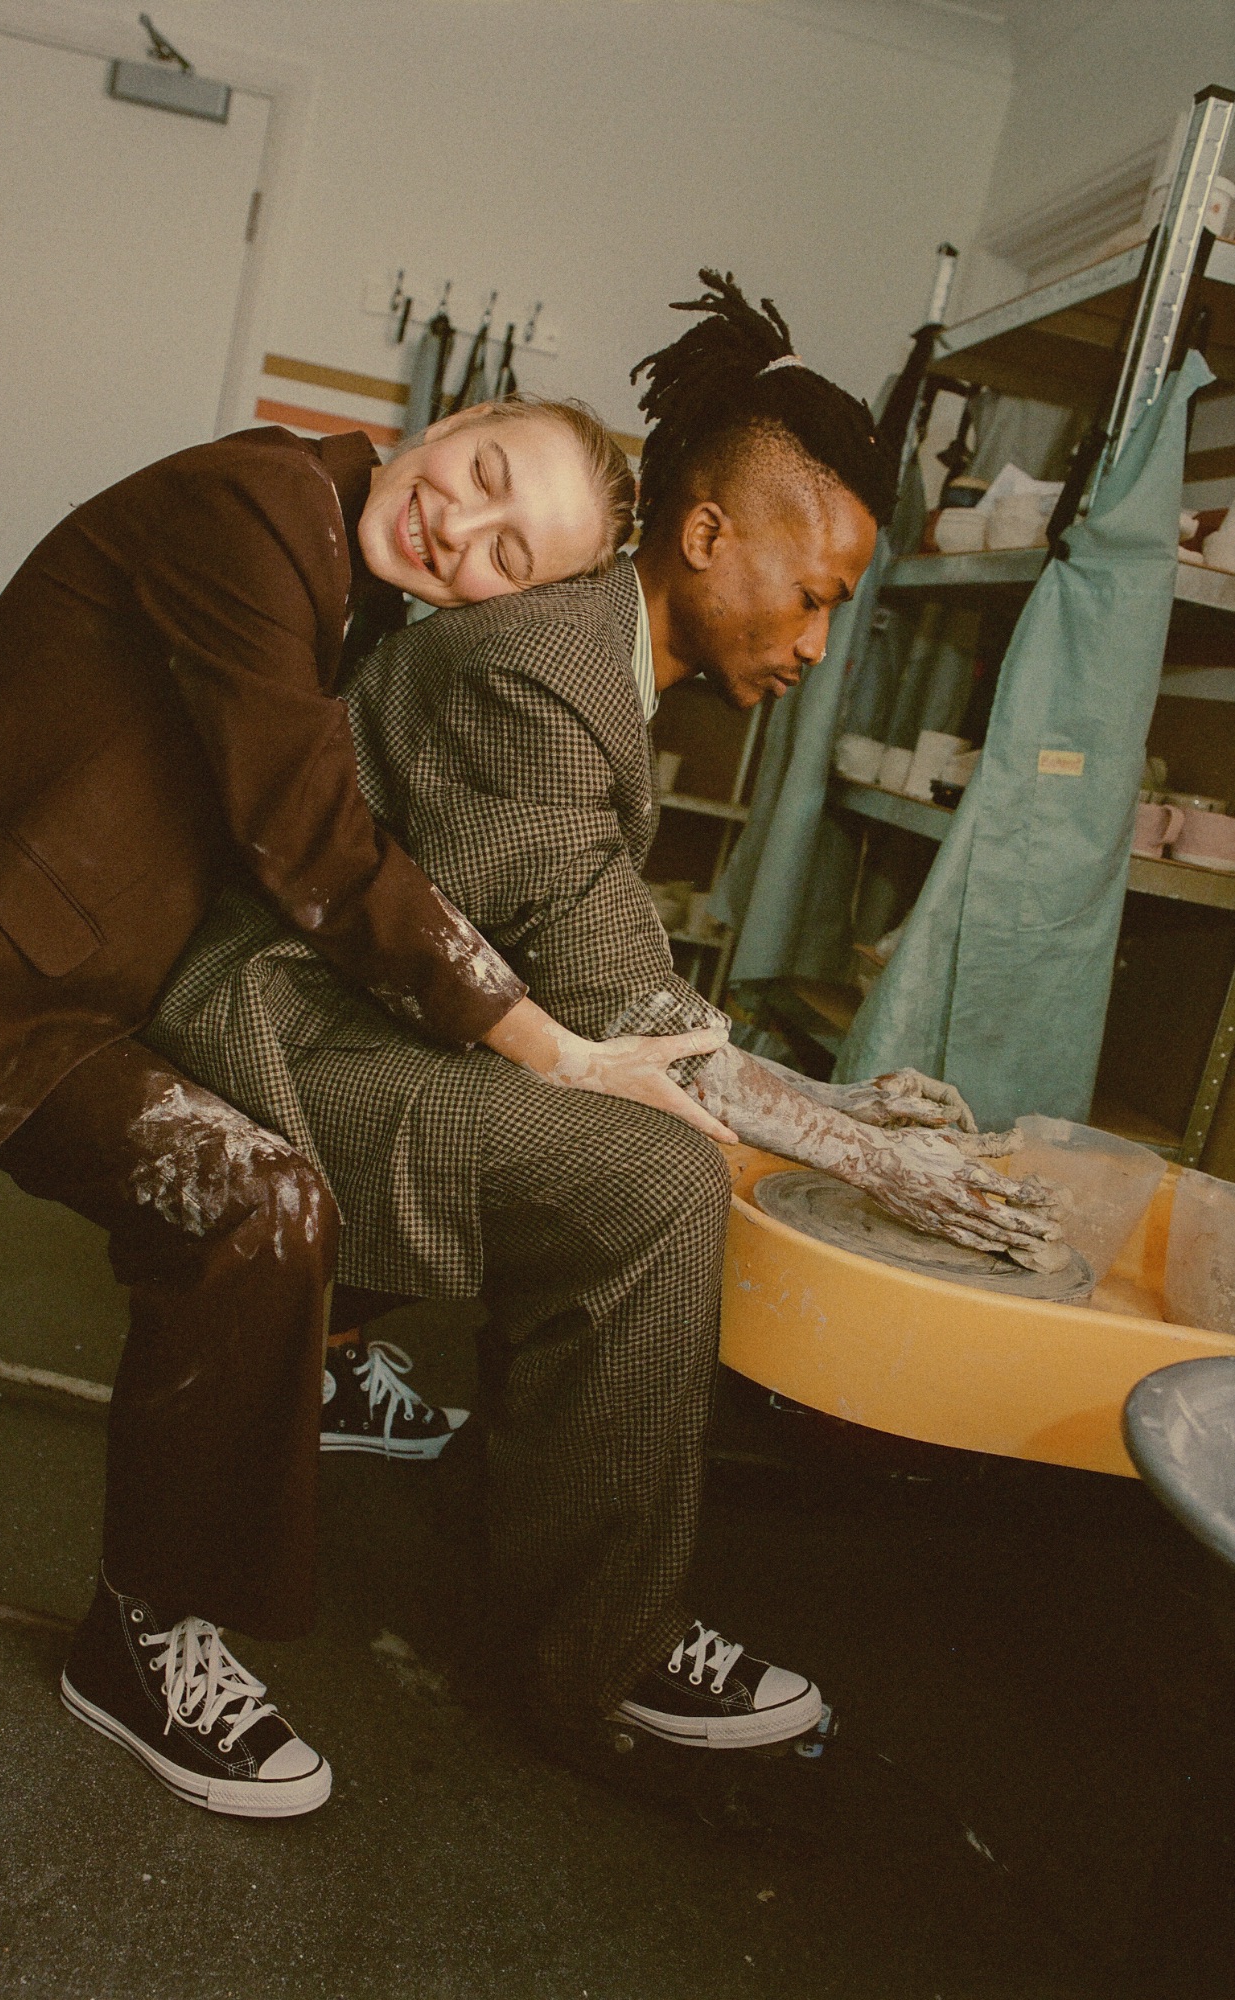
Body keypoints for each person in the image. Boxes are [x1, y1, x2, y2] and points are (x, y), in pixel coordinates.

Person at [150, 274, 1061, 1779]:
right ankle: (601, 1653)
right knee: (653, 1178)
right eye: (814, 594)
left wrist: (842, 1112)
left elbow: (594, 968)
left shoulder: (593, 656)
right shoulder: (545, 666)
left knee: (635, 1131)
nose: (815, 643)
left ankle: (511, 1520)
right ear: (704, 537)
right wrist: (880, 1160)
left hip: (352, 1006)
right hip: (267, 1028)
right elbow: (620, 997)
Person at [0, 399, 734, 1821]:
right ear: (449, 421)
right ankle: (144, 1633)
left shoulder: (358, 582)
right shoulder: (256, 510)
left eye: (506, 557)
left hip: (115, 955)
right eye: (481, 475)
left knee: (419, 1109)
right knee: (262, 1193)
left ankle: (324, 1370)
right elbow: (306, 826)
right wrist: (538, 1038)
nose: (460, 530)